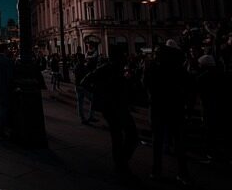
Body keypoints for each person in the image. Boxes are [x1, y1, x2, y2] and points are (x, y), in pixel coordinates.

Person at [81, 54, 138, 180]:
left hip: (117, 107)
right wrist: (98, 93)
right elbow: (84, 82)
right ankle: (121, 164)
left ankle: (121, 163)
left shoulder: (117, 70)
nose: (125, 63)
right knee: (125, 135)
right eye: (124, 60)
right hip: (113, 108)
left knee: (121, 136)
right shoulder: (105, 69)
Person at [143, 40, 191, 185]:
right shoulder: (178, 67)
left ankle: (156, 171)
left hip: (158, 107)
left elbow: (145, 84)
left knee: (158, 142)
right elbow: (187, 86)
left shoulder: (152, 67)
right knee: (178, 143)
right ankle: (182, 173)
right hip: (175, 107)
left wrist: (151, 97)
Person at [74, 54, 96, 124]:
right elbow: (87, 75)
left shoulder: (77, 66)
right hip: (82, 86)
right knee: (92, 99)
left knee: (80, 103)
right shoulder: (82, 66)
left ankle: (83, 118)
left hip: (79, 86)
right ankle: (90, 116)